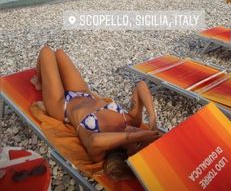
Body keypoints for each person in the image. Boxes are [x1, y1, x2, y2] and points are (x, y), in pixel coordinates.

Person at [31, 46, 161, 177]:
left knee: (46, 52)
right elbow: (141, 86)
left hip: (62, 105)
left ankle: (39, 82)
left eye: (138, 142)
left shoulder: (102, 149)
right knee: (59, 53)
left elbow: (94, 140)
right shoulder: (133, 121)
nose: (142, 133)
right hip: (83, 93)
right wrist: (152, 118)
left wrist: (135, 136)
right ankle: (43, 78)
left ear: (127, 150)